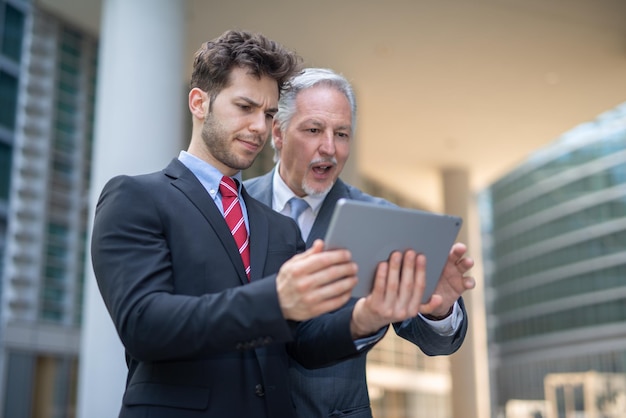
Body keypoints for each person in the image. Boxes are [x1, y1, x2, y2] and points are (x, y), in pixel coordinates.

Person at [90, 31, 413, 418]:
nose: (260, 127)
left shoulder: (278, 227)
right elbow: (144, 324)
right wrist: (275, 300)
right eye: (245, 106)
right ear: (199, 102)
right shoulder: (135, 197)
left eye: (269, 114)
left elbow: (302, 344)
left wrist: (366, 317)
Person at [244, 67, 476, 417]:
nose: (330, 148)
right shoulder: (235, 206)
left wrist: (439, 309)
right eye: (313, 130)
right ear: (278, 132)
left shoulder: (381, 218)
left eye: (342, 134)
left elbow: (431, 339)